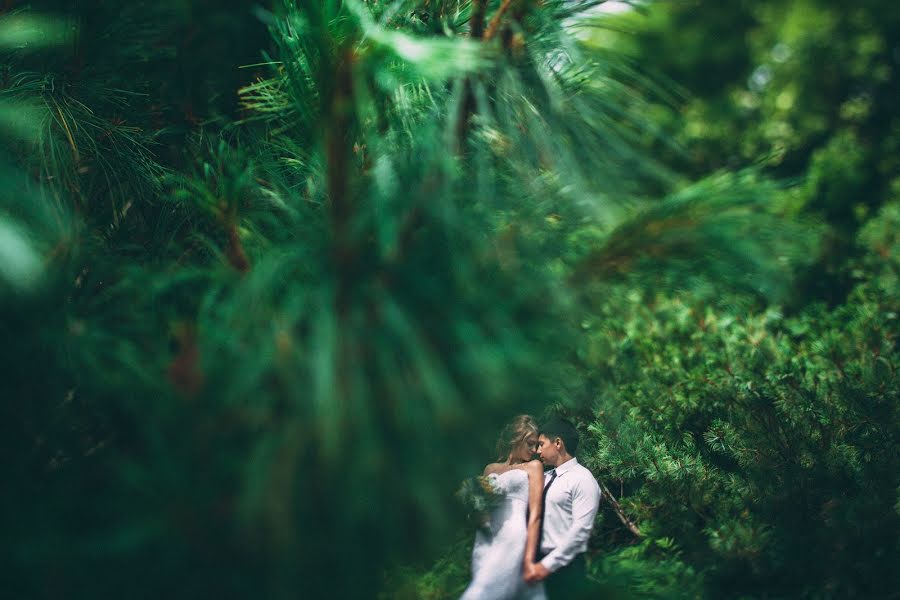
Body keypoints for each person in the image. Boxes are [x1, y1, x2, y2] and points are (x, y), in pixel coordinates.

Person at [461, 415, 547, 600]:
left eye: (536, 445)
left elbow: (535, 515)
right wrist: (475, 510)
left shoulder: (533, 467)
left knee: (483, 592)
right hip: (485, 537)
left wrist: (529, 557)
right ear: (516, 439)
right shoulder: (490, 469)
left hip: (512, 535)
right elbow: (478, 508)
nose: (534, 450)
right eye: (530, 443)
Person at [524, 417, 601, 598]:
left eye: (541, 444)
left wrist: (546, 566)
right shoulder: (544, 477)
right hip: (534, 563)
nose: (537, 450)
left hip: (565, 569)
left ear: (558, 443)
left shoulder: (583, 480)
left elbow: (581, 531)